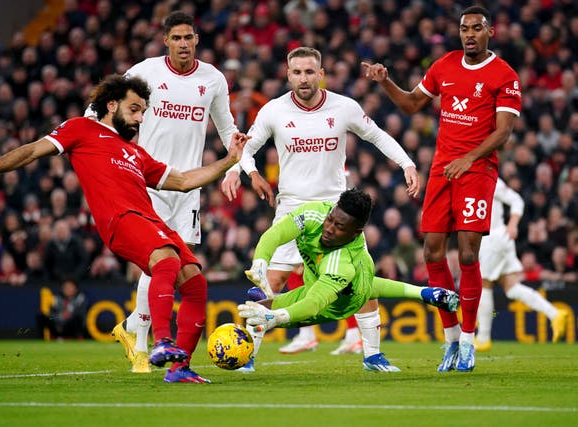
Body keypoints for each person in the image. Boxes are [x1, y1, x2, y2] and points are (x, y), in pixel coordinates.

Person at [0, 74, 248, 383]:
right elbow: (31, 151)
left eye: (143, 112)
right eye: (134, 109)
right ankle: (162, 341)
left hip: (150, 220)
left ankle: (179, 369)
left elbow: (185, 181)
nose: (140, 118)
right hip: (120, 220)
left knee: (196, 284)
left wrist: (229, 160)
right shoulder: (80, 129)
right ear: (111, 105)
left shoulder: (136, 153)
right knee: (167, 259)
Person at [222, 46, 419, 370]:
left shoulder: (344, 108)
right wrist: (246, 172)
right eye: (297, 72)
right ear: (288, 75)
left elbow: (378, 136)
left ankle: (373, 355)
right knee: (271, 282)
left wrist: (407, 164)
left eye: (310, 72)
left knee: (363, 281)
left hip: (336, 212)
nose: (303, 78)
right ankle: (248, 356)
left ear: (321, 74)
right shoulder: (274, 110)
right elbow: (245, 147)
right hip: (292, 207)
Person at [362, 5, 522, 372]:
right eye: (464, 28)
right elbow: (412, 104)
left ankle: (469, 341)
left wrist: (469, 158)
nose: (469, 34)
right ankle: (450, 340)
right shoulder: (444, 65)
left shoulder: (504, 75)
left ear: (490, 32)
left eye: (476, 28)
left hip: (477, 172)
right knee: (432, 252)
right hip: (441, 170)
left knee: (467, 254)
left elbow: (504, 131)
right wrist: (384, 81)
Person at [85, 11, 240, 374]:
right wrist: (92, 142)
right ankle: (141, 346)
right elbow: (99, 109)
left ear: (197, 39)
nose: (183, 44)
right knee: (158, 263)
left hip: (188, 187)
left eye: (189, 37)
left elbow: (228, 127)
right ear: (165, 40)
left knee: (174, 268)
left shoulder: (212, 79)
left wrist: (239, 168)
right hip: (148, 182)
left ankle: (134, 329)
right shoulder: (145, 73)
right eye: (177, 38)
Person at [238, 188, 459, 372]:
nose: (329, 229)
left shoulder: (341, 262)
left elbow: (315, 302)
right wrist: (261, 261)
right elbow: (275, 234)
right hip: (334, 283)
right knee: (260, 311)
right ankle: (377, 351)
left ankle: (246, 357)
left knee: (264, 313)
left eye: (339, 227)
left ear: (356, 233)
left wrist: (275, 317)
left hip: (338, 303)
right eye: (331, 219)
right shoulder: (315, 214)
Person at [476, 178, 570, 350]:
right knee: (511, 288)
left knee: (484, 284)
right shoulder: (468, 177)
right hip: (494, 240)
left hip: (494, 239)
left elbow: (516, 199)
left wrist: (512, 224)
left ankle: (483, 338)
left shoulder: (488, 178)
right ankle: (555, 313)